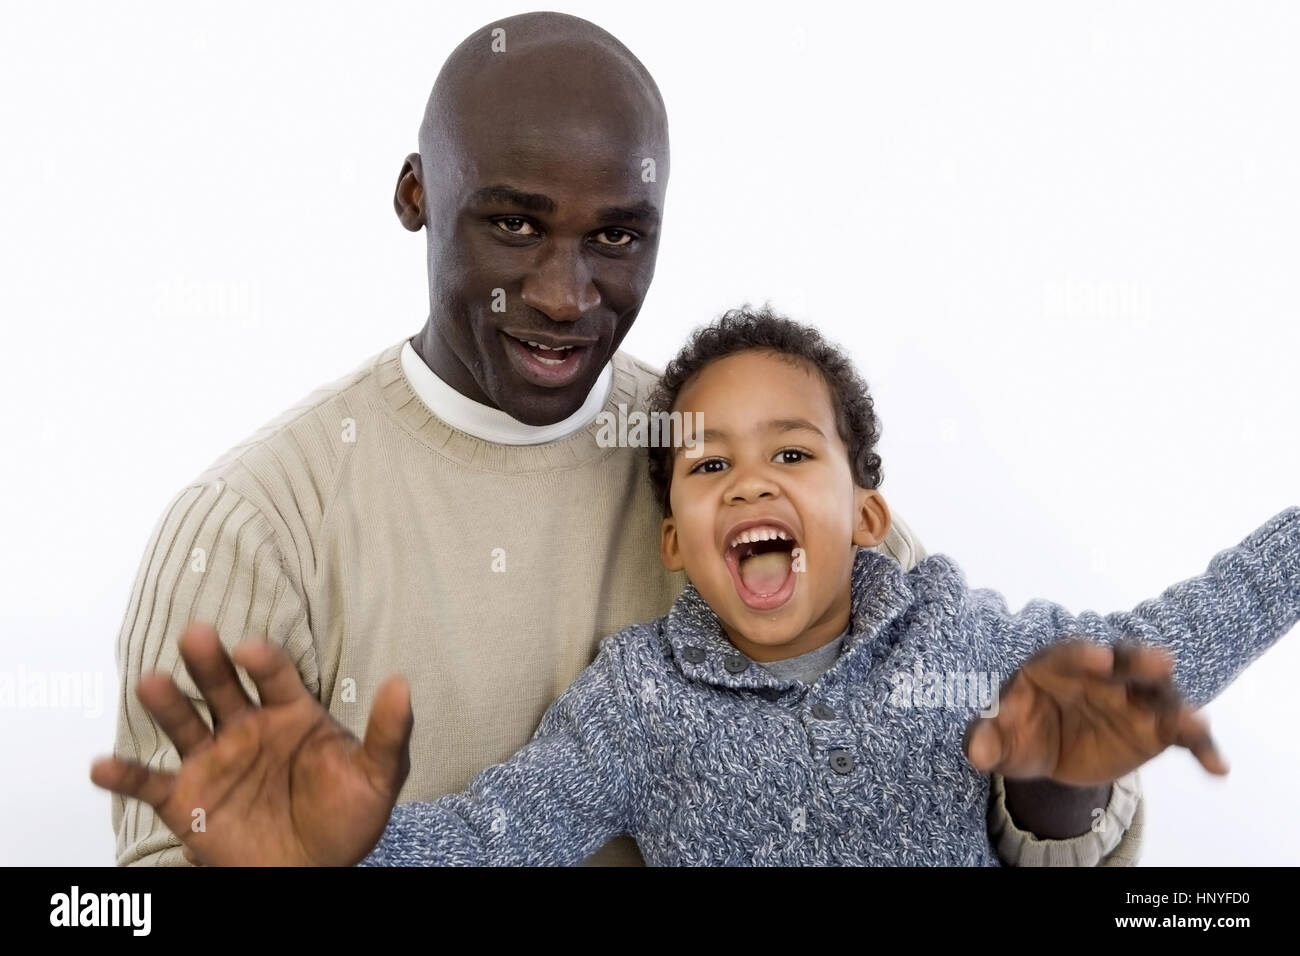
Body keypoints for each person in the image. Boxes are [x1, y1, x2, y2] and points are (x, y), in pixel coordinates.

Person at [105, 13, 1142, 867]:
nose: (565, 296)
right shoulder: (256, 527)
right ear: (417, 193)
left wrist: (1054, 789)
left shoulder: (728, 457)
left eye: (615, 236)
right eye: (514, 225)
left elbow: (1048, 799)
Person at [90, 308, 1299, 865]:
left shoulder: (963, 638)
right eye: (709, 465)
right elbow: (492, 837)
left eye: (791, 455)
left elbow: (1174, 635)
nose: (748, 480)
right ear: (673, 537)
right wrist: (350, 845)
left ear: (867, 518)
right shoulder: (637, 699)